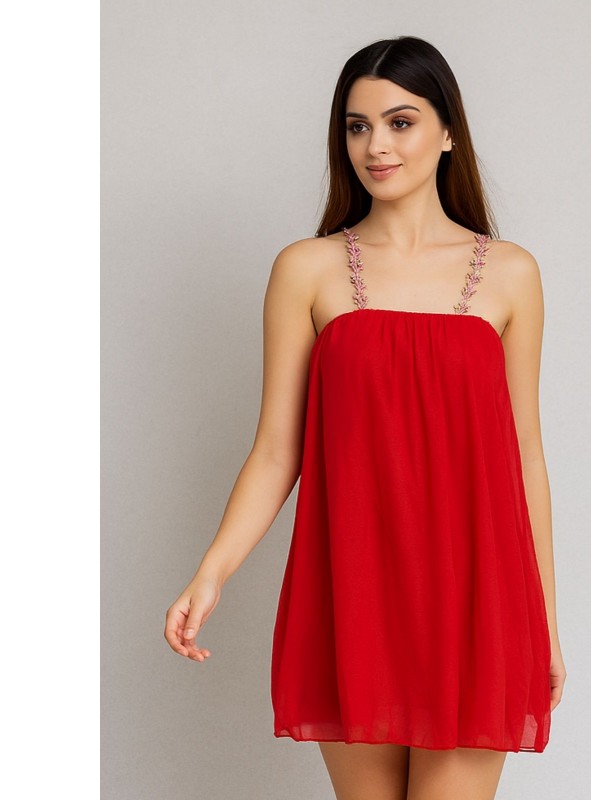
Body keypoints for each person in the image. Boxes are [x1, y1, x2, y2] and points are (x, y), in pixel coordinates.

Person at [165, 35, 566, 800]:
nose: (375, 146)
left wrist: (544, 620)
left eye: (399, 122)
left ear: (448, 133)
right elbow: (276, 451)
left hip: (476, 602)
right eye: (357, 126)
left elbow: (526, 457)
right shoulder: (306, 269)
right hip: (356, 595)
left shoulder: (512, 273)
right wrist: (209, 574)